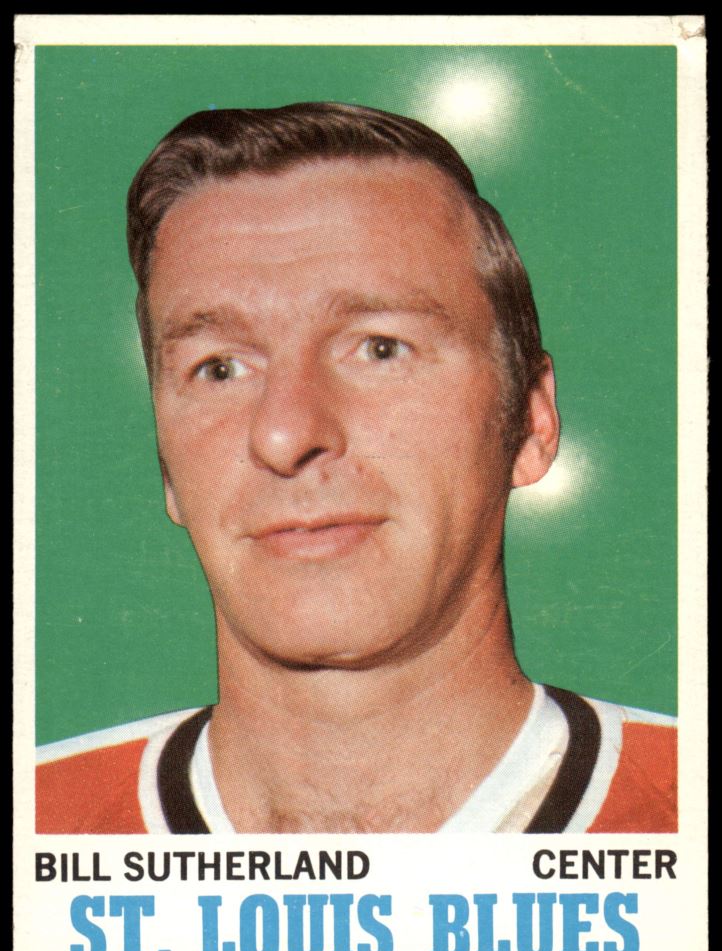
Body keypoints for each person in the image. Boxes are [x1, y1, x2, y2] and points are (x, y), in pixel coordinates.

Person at [36, 103, 676, 834]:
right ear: (168, 466)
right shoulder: (41, 828)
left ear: (531, 421)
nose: (285, 435)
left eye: (379, 348)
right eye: (220, 368)